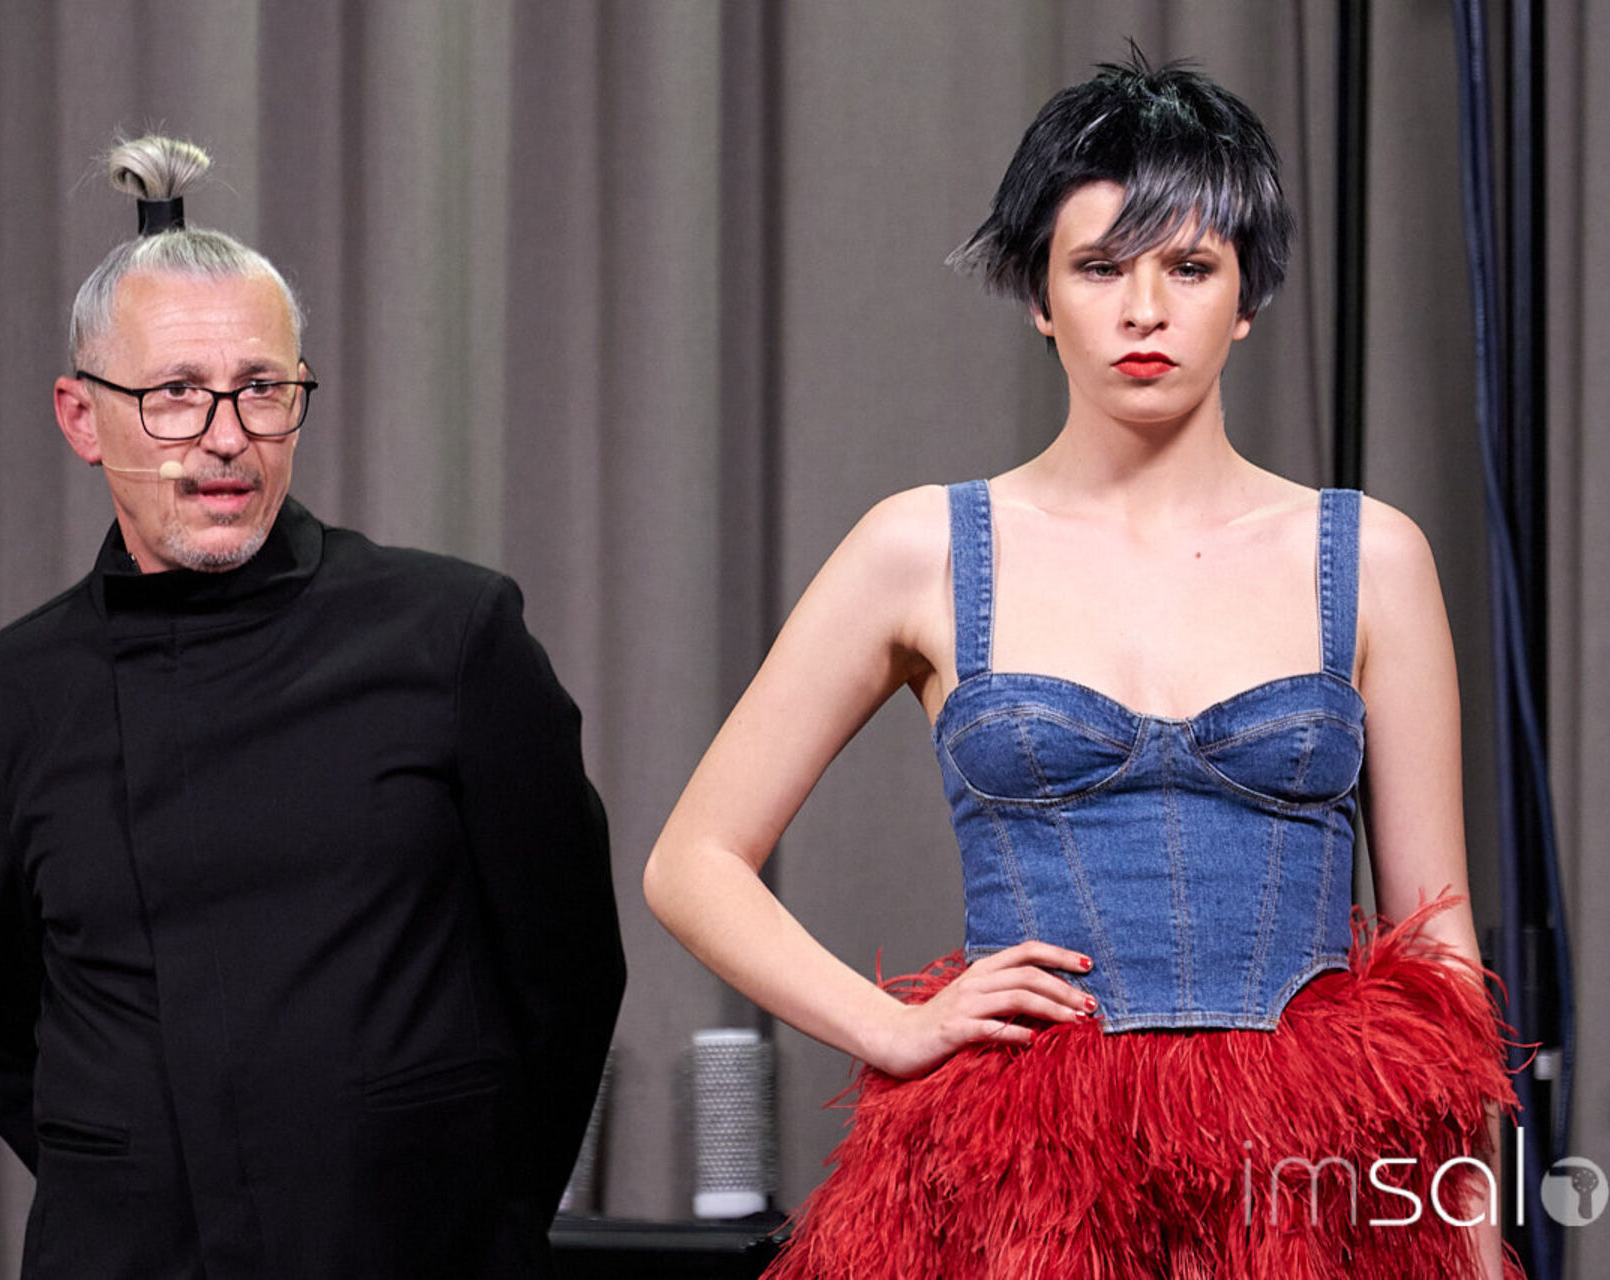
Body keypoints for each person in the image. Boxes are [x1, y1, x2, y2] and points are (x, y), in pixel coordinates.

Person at [645, 54, 1520, 1278]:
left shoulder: (1370, 557)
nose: (1144, 309)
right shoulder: (921, 549)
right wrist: (893, 1025)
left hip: (1305, 1181)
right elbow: (692, 860)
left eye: (1190, 267)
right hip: (1023, 1179)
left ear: (1248, 296)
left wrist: (1471, 1236)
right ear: (1041, 297)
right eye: (1101, 267)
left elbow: (1438, 945)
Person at [0, 135, 624, 1280]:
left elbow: (569, 972)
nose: (226, 436)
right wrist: (138, 1169)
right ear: (81, 416)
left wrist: (472, 1212)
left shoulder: (450, 636)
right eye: (174, 394)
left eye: (262, 389)